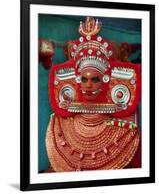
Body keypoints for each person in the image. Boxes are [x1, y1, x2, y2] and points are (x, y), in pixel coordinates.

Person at [45, 17, 141, 172]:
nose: (88, 85)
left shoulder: (124, 122)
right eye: (84, 79)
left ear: (105, 81)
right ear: (77, 80)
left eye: (94, 79)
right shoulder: (60, 121)